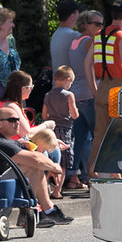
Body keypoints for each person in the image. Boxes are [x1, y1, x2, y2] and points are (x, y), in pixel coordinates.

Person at [0, 105, 72, 227]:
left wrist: (53, 142)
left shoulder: (8, 141)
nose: (17, 123)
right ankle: (30, 211)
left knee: (35, 163)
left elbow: (33, 145)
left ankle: (46, 210)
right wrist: (55, 167)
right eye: (12, 120)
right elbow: (36, 160)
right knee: (33, 165)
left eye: (18, 120)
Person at [88, 0, 122, 179]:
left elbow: (88, 63)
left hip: (102, 86)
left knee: (99, 133)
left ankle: (92, 171)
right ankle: (115, 171)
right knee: (118, 131)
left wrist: (94, 87)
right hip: (119, 88)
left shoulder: (98, 35)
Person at [67, 10, 101, 190]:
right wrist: (96, 89)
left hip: (76, 93)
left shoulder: (75, 41)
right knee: (98, 135)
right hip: (89, 93)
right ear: (86, 24)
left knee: (78, 139)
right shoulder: (89, 42)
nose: (100, 27)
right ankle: (94, 174)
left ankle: (73, 177)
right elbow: (93, 67)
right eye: (97, 24)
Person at [41, 65, 78, 195]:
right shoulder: (69, 95)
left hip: (51, 131)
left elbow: (44, 116)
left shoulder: (48, 95)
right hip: (65, 131)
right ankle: (57, 190)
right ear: (67, 80)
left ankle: (45, 188)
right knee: (63, 163)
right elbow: (74, 115)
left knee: (50, 161)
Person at [50, 0, 83, 70]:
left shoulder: (55, 34)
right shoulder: (74, 36)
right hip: (69, 80)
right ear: (72, 16)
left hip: (57, 79)